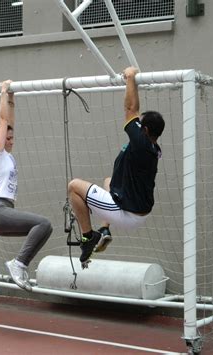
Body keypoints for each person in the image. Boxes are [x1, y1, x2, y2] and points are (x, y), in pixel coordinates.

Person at [68, 67, 165, 268]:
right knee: (108, 181)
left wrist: (130, 78)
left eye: (140, 125)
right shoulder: (153, 147)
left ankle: (88, 237)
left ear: (144, 130)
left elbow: (131, 109)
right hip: (138, 211)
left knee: (74, 187)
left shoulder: (140, 143)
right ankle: (104, 230)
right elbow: (136, 115)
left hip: (126, 214)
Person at [0, 80, 53, 291]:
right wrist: (2, 92)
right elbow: (3, 120)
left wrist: (11, 97)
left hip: (4, 212)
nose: (11, 140)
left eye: (12, 137)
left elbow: (8, 120)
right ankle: (18, 264)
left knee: (42, 229)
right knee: (43, 224)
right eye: (8, 138)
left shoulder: (8, 157)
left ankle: (19, 264)